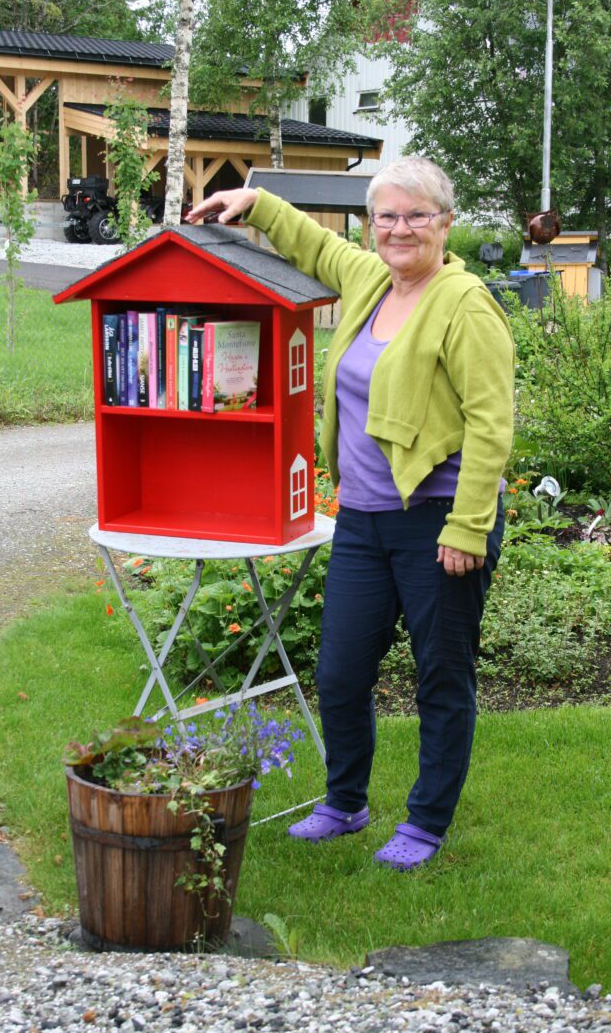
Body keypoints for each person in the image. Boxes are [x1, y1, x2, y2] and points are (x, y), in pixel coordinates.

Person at [186, 158, 514, 871]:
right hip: (364, 519)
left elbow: (492, 425)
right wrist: (256, 202)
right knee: (339, 673)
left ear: (445, 224)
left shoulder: (465, 303)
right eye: (385, 217)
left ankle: (425, 822)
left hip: (437, 520)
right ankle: (346, 802)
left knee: (441, 679)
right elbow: (317, 246)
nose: (398, 229)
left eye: (415, 216)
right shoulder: (370, 280)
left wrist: (468, 527)